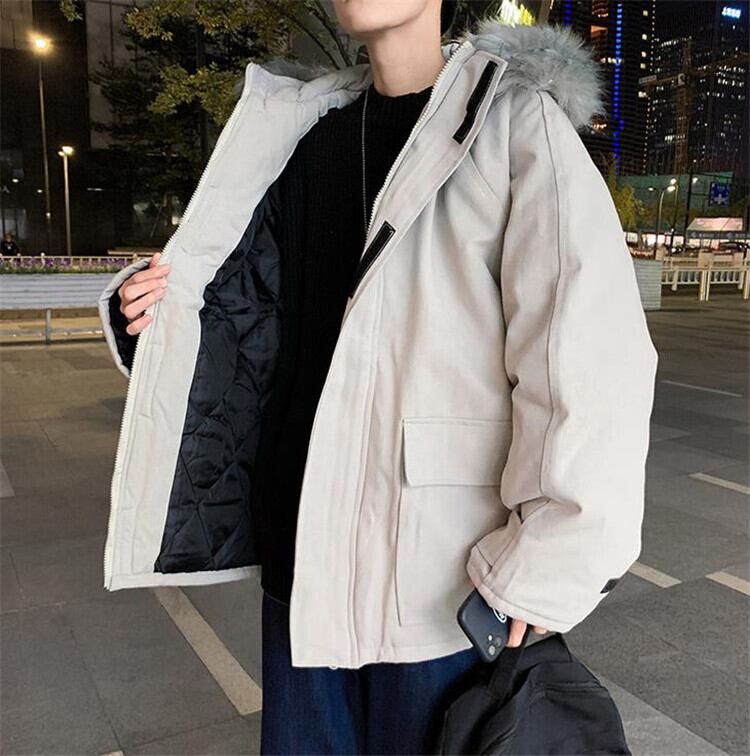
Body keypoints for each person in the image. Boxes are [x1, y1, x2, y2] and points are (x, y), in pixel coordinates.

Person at [97, 1, 658, 753]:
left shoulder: (514, 125)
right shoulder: (298, 131)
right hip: (301, 563)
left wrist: (553, 561)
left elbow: (589, 358)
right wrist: (162, 317)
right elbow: (265, 324)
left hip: (438, 585)